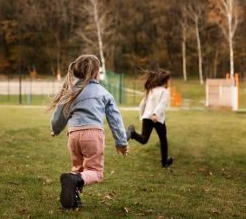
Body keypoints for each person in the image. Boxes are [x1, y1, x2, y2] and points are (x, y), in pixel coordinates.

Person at [49, 55, 129, 209]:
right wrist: (121, 142)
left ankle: (72, 200)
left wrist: (55, 130)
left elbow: (58, 117)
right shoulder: (103, 92)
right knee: (95, 172)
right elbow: (115, 119)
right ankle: (73, 183)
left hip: (73, 136)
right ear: (96, 73)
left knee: (78, 170)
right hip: (93, 135)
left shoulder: (71, 92)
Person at [126, 69, 174, 168]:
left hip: (147, 117)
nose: (170, 82)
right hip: (157, 119)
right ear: (165, 81)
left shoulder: (151, 90)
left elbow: (142, 104)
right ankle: (164, 163)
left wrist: (142, 116)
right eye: (169, 80)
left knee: (144, 139)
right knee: (163, 139)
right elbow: (161, 105)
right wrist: (155, 114)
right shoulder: (165, 92)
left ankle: (132, 133)